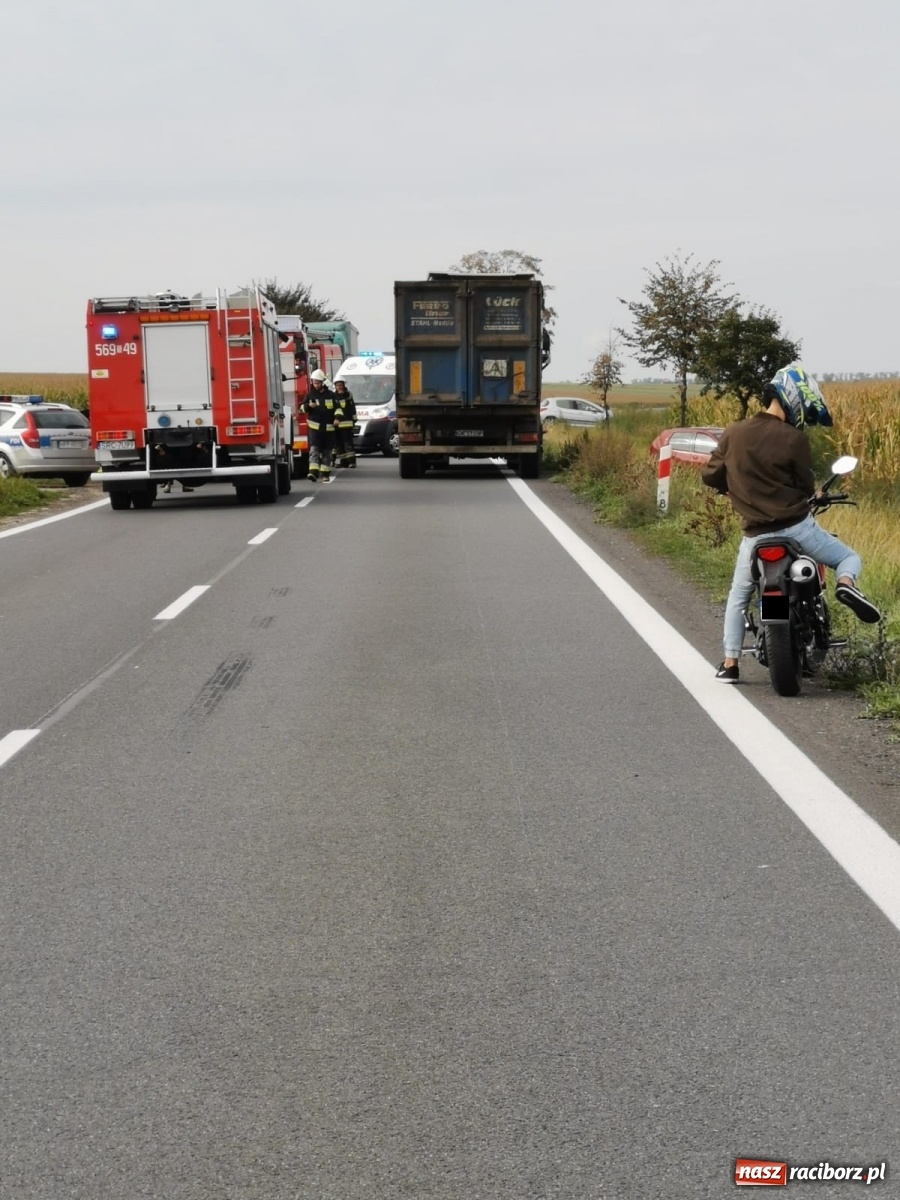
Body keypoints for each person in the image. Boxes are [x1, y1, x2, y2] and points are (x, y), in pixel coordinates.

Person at [701, 362, 880, 683]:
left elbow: (710, 475)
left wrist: (732, 488)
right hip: (798, 530)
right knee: (848, 558)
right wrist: (814, 495)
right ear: (794, 399)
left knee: (739, 595)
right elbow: (802, 486)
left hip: (755, 537)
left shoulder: (733, 433)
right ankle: (845, 585)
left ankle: (730, 664)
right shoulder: (793, 439)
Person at [303, 369, 338, 482]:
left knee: (327, 452)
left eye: (318, 383)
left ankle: (325, 473)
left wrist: (337, 418)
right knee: (314, 450)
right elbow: (302, 408)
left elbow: (338, 409)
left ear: (322, 382)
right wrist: (309, 406)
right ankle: (313, 472)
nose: (316, 385)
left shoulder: (331, 395)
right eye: (314, 382)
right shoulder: (310, 395)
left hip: (329, 429)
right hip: (315, 429)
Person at [333, 379, 357, 468]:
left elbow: (352, 408)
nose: (339, 387)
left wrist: (354, 420)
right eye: (337, 385)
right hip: (337, 425)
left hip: (346, 424)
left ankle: (352, 462)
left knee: (348, 444)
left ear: (343, 385)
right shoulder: (333, 396)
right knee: (339, 445)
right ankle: (344, 462)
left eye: (340, 385)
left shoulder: (348, 394)